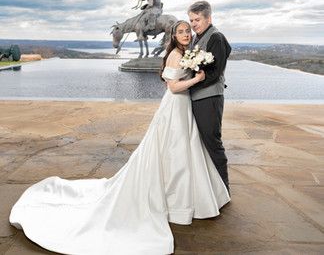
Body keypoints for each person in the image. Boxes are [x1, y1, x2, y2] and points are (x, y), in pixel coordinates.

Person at [9, 21, 230, 255]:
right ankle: (175, 200)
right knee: (172, 149)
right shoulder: (176, 54)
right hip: (175, 106)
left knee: (181, 150)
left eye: (188, 31)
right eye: (181, 31)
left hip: (182, 107)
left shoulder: (185, 52)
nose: (186, 34)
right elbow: (174, 87)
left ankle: (180, 198)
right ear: (173, 36)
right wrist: (196, 79)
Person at [188, 1, 232, 193]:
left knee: (212, 143)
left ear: (208, 18)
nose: (193, 24)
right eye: (191, 20)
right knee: (200, 144)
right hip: (197, 98)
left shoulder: (216, 38)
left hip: (209, 99)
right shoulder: (197, 38)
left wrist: (187, 86)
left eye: (197, 19)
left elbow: (214, 74)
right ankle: (208, 188)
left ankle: (223, 190)